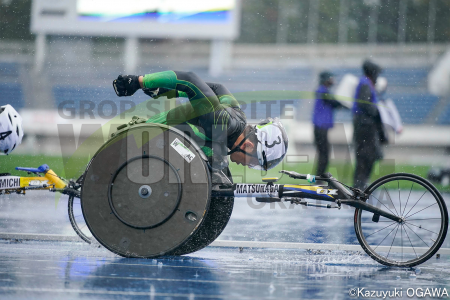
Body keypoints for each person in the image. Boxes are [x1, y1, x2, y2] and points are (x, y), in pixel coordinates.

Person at [112, 71, 288, 172]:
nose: (247, 166)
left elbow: (217, 88)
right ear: (249, 145)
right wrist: (140, 82)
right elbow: (190, 79)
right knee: (215, 162)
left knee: (217, 163)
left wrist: (164, 90)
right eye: (253, 162)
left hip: (161, 139)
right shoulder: (222, 123)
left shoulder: (237, 118)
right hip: (143, 139)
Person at [352, 60, 387, 190]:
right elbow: (364, 104)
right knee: (365, 155)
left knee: (369, 155)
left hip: (366, 124)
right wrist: (377, 111)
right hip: (364, 125)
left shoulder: (367, 83)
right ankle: (359, 184)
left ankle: (361, 182)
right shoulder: (365, 83)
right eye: (377, 73)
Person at [312, 71, 347, 176]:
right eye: (331, 78)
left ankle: (318, 179)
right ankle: (318, 179)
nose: (333, 81)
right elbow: (334, 102)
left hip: (321, 128)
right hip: (320, 128)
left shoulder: (324, 91)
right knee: (324, 155)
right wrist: (347, 105)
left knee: (324, 155)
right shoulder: (322, 91)